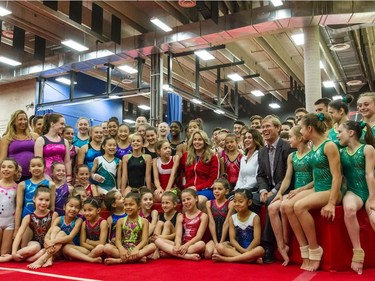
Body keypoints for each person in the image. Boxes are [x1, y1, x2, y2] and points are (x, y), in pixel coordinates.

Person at [286, 112, 341, 271]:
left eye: (301, 128)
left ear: (309, 128)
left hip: (331, 190)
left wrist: (331, 202)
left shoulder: (329, 145)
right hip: (318, 187)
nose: (300, 131)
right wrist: (301, 189)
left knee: (299, 207)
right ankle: (304, 249)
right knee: (288, 205)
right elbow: (316, 177)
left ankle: (315, 249)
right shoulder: (313, 146)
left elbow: (337, 176)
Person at [268, 126, 313, 266]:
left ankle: (287, 240)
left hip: (309, 189)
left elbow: (316, 179)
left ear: (300, 138)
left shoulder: (312, 155)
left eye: (291, 137)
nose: (288, 140)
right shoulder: (291, 156)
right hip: (294, 191)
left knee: (284, 206)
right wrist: (280, 193)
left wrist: (300, 190)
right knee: (271, 207)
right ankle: (282, 246)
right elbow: (287, 178)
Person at [253, 115, 294, 263]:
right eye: (263, 127)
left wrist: (274, 191)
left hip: (286, 189)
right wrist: (263, 190)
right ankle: (250, 243)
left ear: (277, 128)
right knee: (247, 200)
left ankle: (268, 245)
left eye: (268, 126)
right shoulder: (262, 151)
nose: (264, 130)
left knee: (271, 202)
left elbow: (289, 176)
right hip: (268, 190)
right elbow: (260, 176)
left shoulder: (287, 147)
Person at [338, 120, 375, 274]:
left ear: (351, 133)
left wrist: (372, 197)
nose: (338, 135)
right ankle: (358, 252)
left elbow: (369, 173)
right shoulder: (341, 152)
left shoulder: (368, 149)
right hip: (353, 191)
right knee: (350, 209)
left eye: (340, 132)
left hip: (371, 189)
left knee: (374, 217)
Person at [27, 195, 83, 269]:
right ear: (64, 207)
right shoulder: (59, 219)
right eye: (71, 206)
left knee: (62, 233)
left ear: (79, 210)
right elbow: (48, 234)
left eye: (77, 207)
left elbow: (70, 237)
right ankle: (50, 257)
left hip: (69, 248)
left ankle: (44, 259)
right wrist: (47, 242)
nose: (73, 209)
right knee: (56, 228)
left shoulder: (78, 220)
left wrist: (52, 242)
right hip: (57, 249)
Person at [103, 192, 157, 265]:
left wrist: (136, 249)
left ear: (139, 206)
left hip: (138, 249)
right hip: (124, 249)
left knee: (152, 246)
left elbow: (144, 240)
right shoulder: (120, 221)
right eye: (125, 204)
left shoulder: (144, 221)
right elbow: (118, 240)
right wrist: (121, 249)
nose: (128, 207)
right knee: (107, 247)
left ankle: (120, 260)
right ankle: (137, 259)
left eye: (131, 204)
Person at [212, 189, 265, 263]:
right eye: (234, 201)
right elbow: (232, 240)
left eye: (240, 201)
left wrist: (247, 250)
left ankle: (228, 259)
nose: (237, 204)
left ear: (249, 202)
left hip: (251, 249)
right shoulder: (232, 218)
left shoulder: (254, 217)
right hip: (237, 249)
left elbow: (257, 240)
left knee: (260, 250)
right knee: (219, 246)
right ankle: (248, 259)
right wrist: (243, 251)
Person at [154, 189, 208, 261]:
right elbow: (178, 236)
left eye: (188, 199)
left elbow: (199, 236)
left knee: (201, 245)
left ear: (196, 199)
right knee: (157, 240)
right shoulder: (181, 217)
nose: (186, 202)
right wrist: (177, 245)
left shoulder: (203, 216)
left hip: (193, 245)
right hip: (182, 244)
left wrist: (186, 246)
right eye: (184, 200)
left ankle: (171, 253)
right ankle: (186, 256)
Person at [12, 186, 58, 262]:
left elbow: (52, 234)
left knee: (42, 252)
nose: (43, 203)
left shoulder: (53, 215)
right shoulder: (28, 217)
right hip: (34, 243)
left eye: (47, 200)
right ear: (34, 199)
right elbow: (19, 235)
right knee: (35, 247)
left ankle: (19, 258)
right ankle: (13, 256)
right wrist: (13, 251)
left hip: (46, 245)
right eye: (41, 199)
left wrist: (49, 247)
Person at [15, 157, 56, 233]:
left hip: (44, 221)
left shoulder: (51, 185)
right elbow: (19, 207)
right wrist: (17, 228)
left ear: (44, 168)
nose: (36, 168)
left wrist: (50, 224)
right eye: (33, 166)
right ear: (29, 169)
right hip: (26, 221)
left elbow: (52, 206)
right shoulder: (22, 185)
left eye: (39, 165)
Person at [180, 130, 219, 210]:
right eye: (195, 139)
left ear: (205, 141)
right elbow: (181, 174)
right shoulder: (186, 156)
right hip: (189, 189)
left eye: (200, 140)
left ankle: (204, 222)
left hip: (206, 190)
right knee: (186, 204)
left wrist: (197, 187)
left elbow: (213, 179)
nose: (197, 142)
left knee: (199, 201)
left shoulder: (212, 157)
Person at [62, 198, 108, 263]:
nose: (86, 213)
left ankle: (80, 256)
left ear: (98, 210)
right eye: (85, 210)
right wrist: (91, 246)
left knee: (101, 247)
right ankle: (90, 258)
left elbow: (101, 243)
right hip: (88, 249)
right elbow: (82, 243)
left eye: (90, 210)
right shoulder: (84, 223)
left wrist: (88, 241)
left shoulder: (103, 222)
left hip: (99, 250)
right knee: (66, 248)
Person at [0, 110, 39, 181]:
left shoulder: (34, 136)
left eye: (25, 119)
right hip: (14, 176)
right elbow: (2, 159)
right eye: (20, 119)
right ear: (14, 122)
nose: (23, 122)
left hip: (33, 174)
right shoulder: (7, 138)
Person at [34, 113, 71, 180]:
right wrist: (41, 176)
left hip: (61, 174)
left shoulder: (65, 141)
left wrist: (68, 177)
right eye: (61, 124)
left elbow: (67, 161)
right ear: (52, 124)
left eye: (64, 124)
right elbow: (38, 161)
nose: (63, 126)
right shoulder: (41, 140)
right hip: (46, 175)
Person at [229, 128, 264, 199]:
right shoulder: (243, 157)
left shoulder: (260, 155)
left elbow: (257, 177)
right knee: (226, 198)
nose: (246, 140)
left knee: (232, 200)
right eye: (245, 138)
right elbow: (240, 177)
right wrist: (237, 188)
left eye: (249, 138)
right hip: (241, 189)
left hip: (253, 189)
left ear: (256, 139)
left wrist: (241, 189)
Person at [205, 178, 234, 259]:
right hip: (214, 238)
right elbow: (211, 223)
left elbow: (226, 223)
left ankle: (237, 254)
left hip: (226, 239)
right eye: (214, 189)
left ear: (227, 191)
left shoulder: (230, 204)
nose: (216, 191)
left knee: (216, 251)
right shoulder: (209, 203)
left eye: (220, 189)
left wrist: (220, 243)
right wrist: (215, 242)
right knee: (207, 254)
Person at [0, 158, 18, 262]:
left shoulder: (18, 187)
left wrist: (16, 228)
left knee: (4, 254)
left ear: (16, 171)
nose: (6, 169)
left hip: (10, 223)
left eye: (10, 167)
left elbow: (19, 207)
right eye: (3, 167)